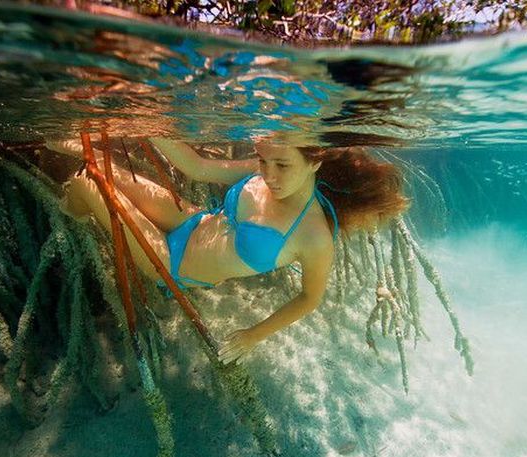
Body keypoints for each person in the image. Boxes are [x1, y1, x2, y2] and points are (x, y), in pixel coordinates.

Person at [55, 137, 408, 364]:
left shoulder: (314, 236)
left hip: (171, 261)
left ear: (315, 161)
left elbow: (309, 298)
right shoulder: (267, 164)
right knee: (98, 162)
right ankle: (53, 144)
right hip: (189, 220)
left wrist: (253, 335)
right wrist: (147, 124)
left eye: (282, 165)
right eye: (262, 161)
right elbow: (198, 166)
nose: (269, 175)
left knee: (87, 183)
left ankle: (72, 211)